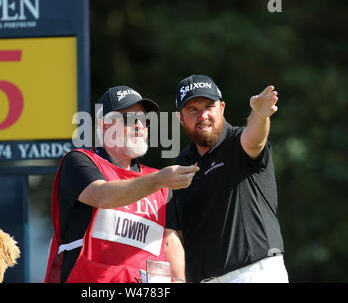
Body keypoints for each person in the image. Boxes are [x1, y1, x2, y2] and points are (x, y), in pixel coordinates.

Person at [44, 85, 199, 283]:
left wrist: (179, 280)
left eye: (144, 120)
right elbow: (102, 195)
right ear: (104, 125)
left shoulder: (158, 182)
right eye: (129, 119)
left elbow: (169, 241)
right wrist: (159, 180)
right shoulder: (79, 161)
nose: (140, 126)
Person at [165, 74, 289, 283]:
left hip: (254, 273)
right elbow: (175, 232)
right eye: (192, 109)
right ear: (180, 118)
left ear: (222, 108)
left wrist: (259, 115)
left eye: (209, 106)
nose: (203, 115)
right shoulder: (180, 166)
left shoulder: (237, 142)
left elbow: (254, 141)